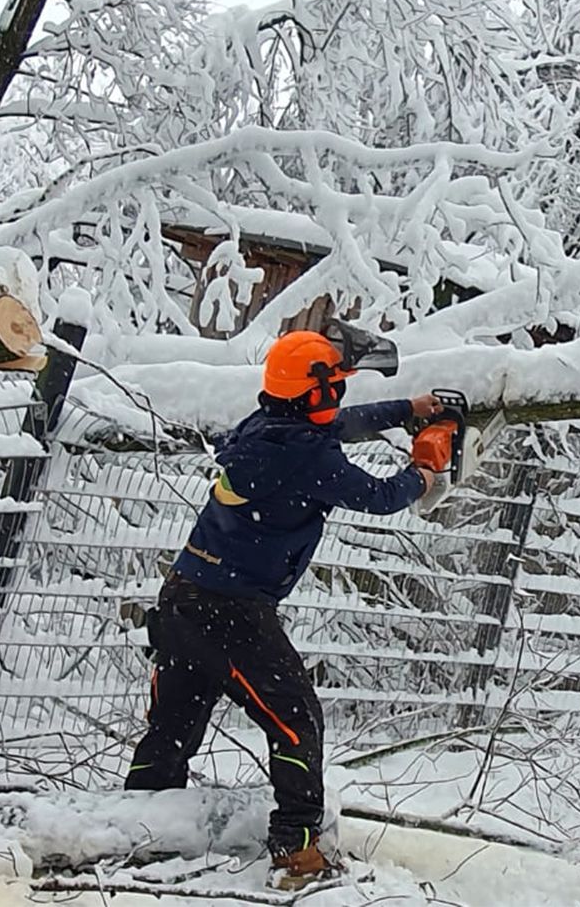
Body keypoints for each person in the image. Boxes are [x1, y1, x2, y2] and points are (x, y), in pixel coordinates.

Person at [125, 325, 440, 889]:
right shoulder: (306, 458)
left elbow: (337, 426)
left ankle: (130, 830)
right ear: (315, 394)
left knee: (173, 726)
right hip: (233, 608)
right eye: (335, 387)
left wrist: (405, 409)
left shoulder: (265, 427)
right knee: (297, 721)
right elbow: (379, 496)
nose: (340, 396)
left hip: (181, 598)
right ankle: (297, 850)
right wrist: (423, 472)